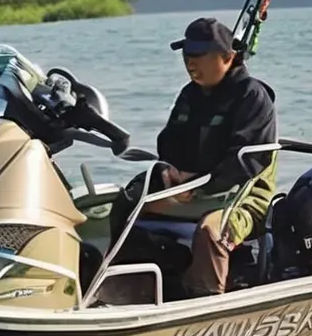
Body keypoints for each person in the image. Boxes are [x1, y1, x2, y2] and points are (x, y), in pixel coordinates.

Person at [108, 16, 279, 297]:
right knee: (127, 202)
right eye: (187, 54)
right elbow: (169, 142)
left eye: (199, 54)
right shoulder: (190, 95)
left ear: (227, 56)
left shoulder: (253, 97)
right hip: (187, 189)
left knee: (213, 231)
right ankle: (119, 290)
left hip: (242, 198)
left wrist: (200, 184)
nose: (190, 62)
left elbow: (248, 162)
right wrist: (169, 171)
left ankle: (206, 302)